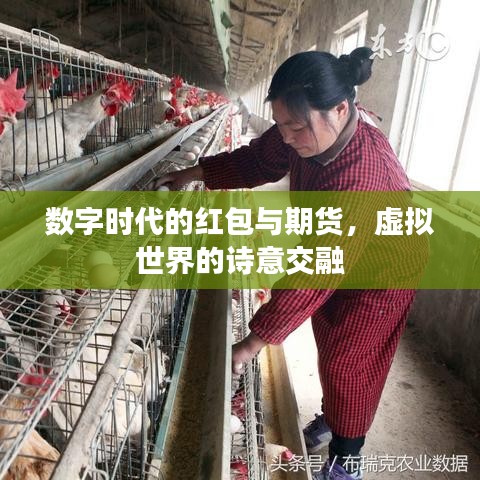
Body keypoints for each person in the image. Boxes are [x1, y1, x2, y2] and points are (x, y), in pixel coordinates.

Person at [149, 47, 428, 479]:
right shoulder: (307, 134)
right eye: (280, 125)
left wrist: (252, 343)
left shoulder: (361, 177)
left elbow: (316, 271)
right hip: (340, 252)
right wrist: (193, 173)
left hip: (383, 272)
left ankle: (347, 459)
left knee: (350, 363)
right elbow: (258, 160)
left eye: (295, 127)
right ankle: (334, 418)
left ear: (340, 110)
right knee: (330, 344)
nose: (286, 137)